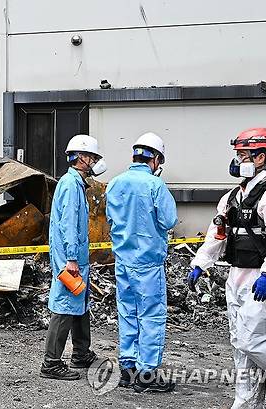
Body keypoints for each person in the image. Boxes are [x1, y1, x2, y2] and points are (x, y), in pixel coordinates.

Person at [187, 128, 266, 408]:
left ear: (260, 157)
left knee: (255, 339)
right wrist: (200, 263)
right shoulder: (232, 197)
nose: (237, 160)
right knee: (240, 344)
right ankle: (245, 403)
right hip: (236, 276)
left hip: (262, 278)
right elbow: (217, 235)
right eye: (237, 154)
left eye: (242, 155)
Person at [105, 132, 178, 392]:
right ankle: (147, 375)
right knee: (151, 316)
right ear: (155, 160)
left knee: (127, 313)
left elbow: (111, 221)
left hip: (122, 261)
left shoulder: (114, 183)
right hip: (147, 263)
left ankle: (128, 369)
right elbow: (169, 221)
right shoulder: (155, 186)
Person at [40, 134, 107, 380]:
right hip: (70, 257)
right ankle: (51, 362)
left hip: (76, 256)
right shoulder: (70, 185)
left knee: (80, 301)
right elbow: (68, 224)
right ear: (81, 158)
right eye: (92, 157)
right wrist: (70, 259)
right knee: (65, 306)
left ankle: (81, 352)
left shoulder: (76, 183)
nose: (95, 162)